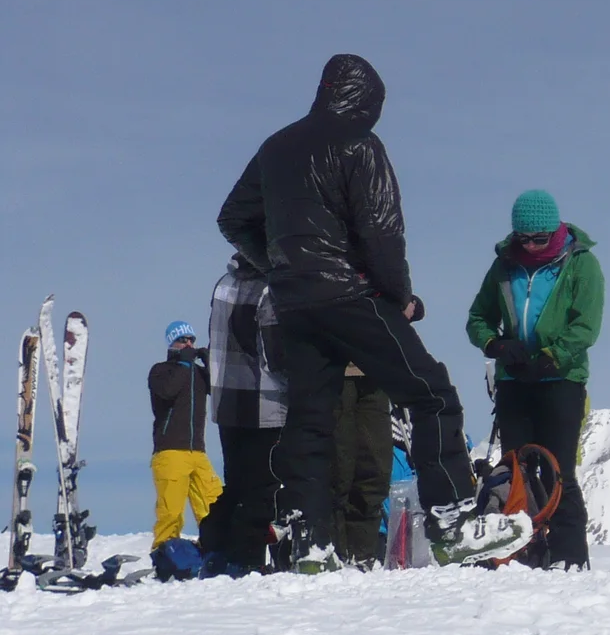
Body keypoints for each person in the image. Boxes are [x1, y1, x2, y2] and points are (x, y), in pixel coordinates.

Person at [216, 53, 530, 570]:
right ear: (367, 101)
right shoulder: (360, 144)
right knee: (431, 395)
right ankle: (452, 522)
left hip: (294, 305)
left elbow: (233, 218)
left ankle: (309, 543)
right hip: (350, 296)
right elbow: (382, 231)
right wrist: (399, 295)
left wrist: (278, 267)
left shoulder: (275, 147)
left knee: (310, 419)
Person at [466, 189, 604, 569]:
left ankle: (569, 555)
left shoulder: (581, 264)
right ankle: (521, 549)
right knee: (516, 467)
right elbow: (477, 318)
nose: (529, 246)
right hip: (514, 382)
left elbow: (585, 326)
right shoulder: (505, 266)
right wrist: (496, 346)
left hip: (561, 380)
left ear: (555, 232)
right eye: (523, 239)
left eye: (538, 239)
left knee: (559, 469)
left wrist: (550, 358)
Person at [202, 255, 285, 571]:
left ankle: (216, 549)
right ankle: (246, 562)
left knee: (236, 484)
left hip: (228, 404)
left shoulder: (226, 283)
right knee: (263, 488)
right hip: (265, 402)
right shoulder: (269, 288)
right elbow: (277, 355)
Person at [148, 321, 223, 548]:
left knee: (213, 503)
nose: (188, 343)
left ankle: (216, 549)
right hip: (170, 451)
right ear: (172, 343)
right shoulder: (161, 371)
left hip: (198, 452)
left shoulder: (198, 374)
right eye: (183, 340)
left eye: (191, 339)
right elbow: (167, 392)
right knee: (171, 511)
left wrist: (209, 361)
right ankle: (164, 554)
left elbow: (219, 389)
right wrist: (183, 363)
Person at [333, 366, 393, 566]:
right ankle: (336, 557)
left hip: (374, 369)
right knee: (338, 470)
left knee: (376, 469)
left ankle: (363, 558)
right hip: (331, 371)